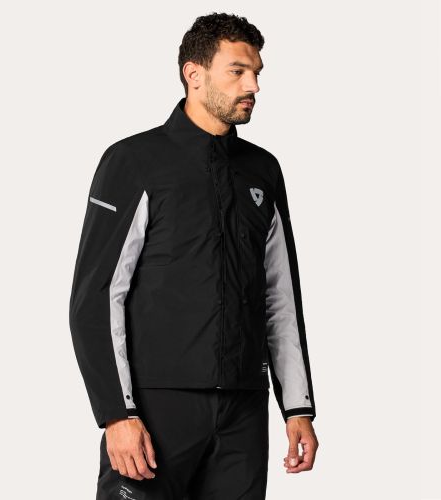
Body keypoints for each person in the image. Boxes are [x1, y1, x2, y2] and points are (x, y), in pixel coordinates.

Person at [69, 12, 319, 499]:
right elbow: (97, 297)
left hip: (243, 413)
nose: (253, 85)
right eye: (237, 71)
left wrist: (298, 409)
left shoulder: (263, 170)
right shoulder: (134, 161)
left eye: (257, 73)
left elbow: (280, 298)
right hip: (156, 409)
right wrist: (117, 415)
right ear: (194, 74)